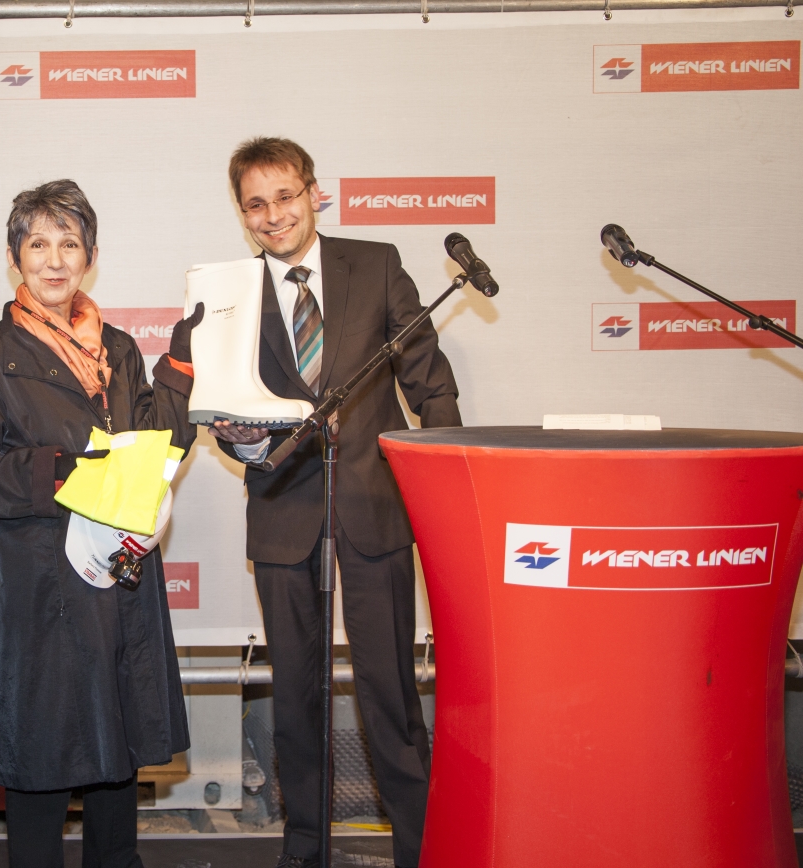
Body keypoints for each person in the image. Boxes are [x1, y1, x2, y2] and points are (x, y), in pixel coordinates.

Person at [208, 138, 461, 868]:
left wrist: (443, 489)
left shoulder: (376, 265)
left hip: (375, 511)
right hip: (285, 517)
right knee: (296, 699)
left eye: (285, 196)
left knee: (390, 694)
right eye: (256, 203)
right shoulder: (232, 294)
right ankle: (305, 851)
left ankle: (423, 850)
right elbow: (228, 418)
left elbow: (429, 384)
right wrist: (244, 442)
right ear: (242, 212)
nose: (273, 214)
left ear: (314, 192)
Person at [0, 179, 201, 868]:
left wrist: (178, 369)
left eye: (69, 244)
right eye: (38, 244)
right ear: (14, 256)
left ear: (89, 256)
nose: (54, 260)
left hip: (119, 577)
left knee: (116, 754)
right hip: (46, 590)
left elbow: (158, 448)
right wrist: (61, 469)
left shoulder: (117, 347)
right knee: (44, 759)